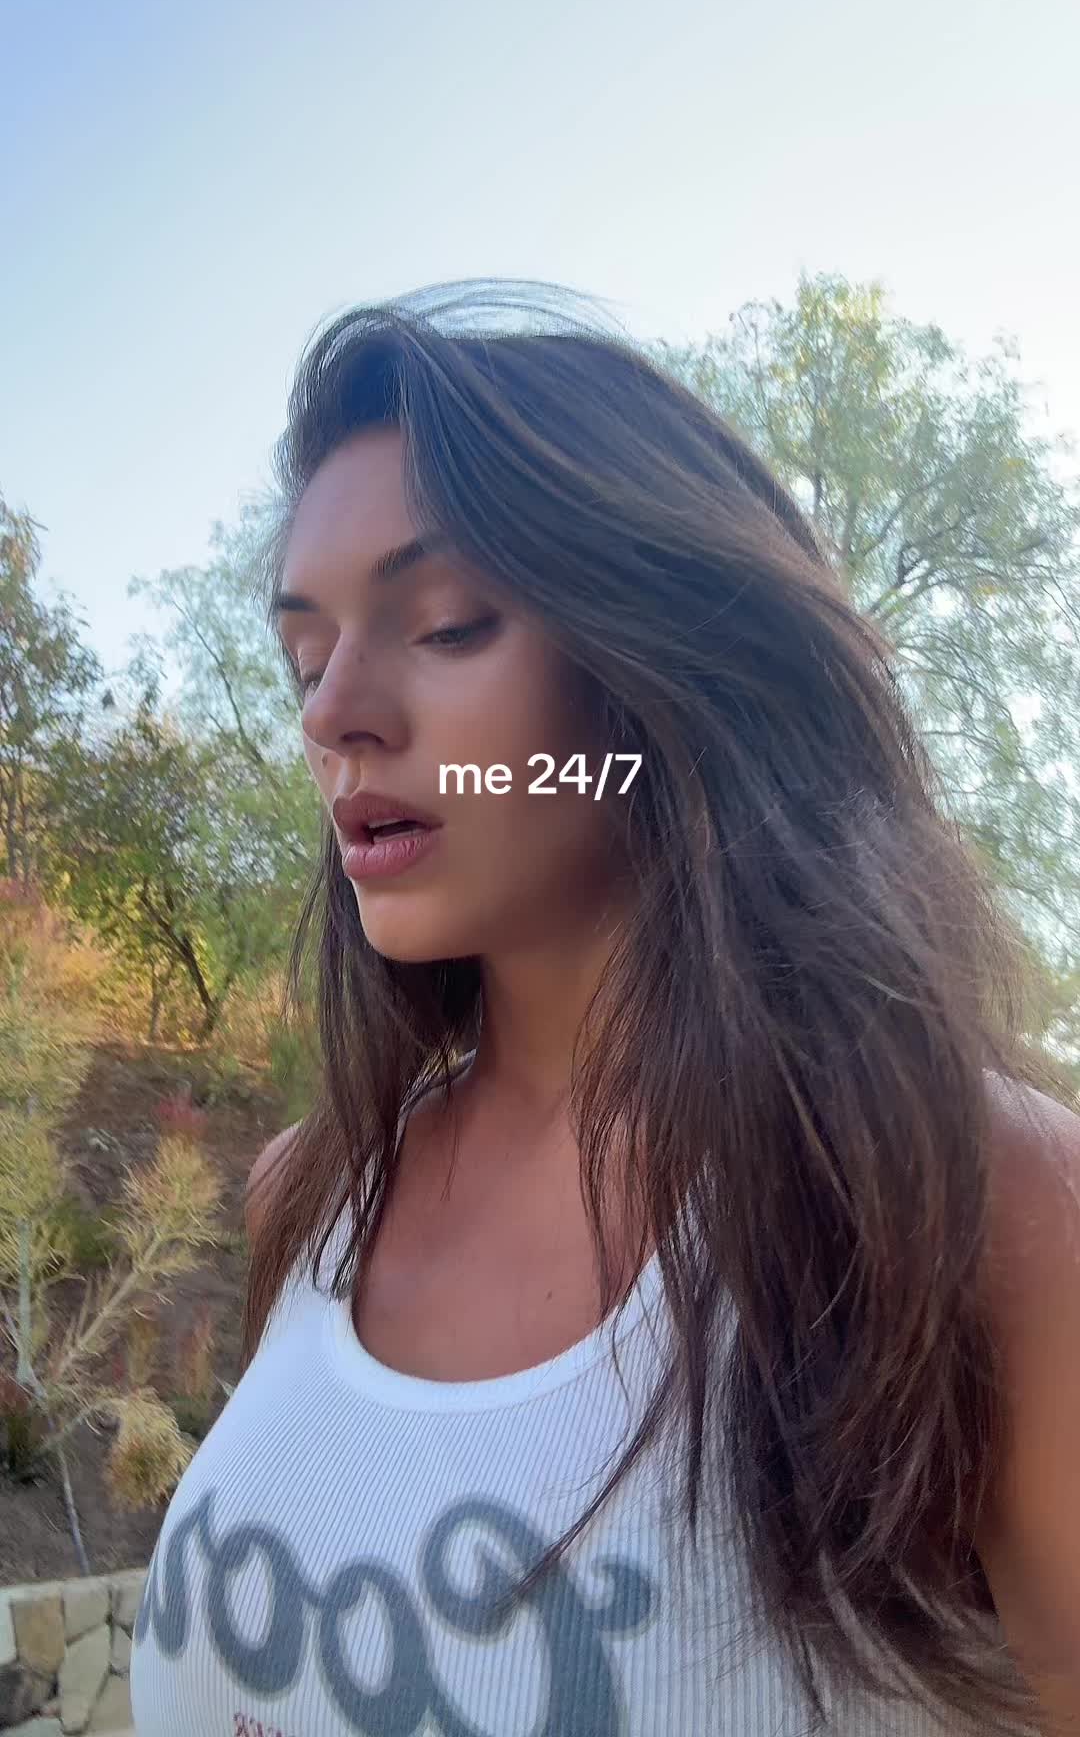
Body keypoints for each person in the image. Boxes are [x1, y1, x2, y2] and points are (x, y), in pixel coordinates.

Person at [129, 282, 1080, 1737]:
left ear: (670, 666)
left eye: (446, 625)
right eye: (306, 660)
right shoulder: (308, 1198)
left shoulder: (982, 1210)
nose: (332, 714)